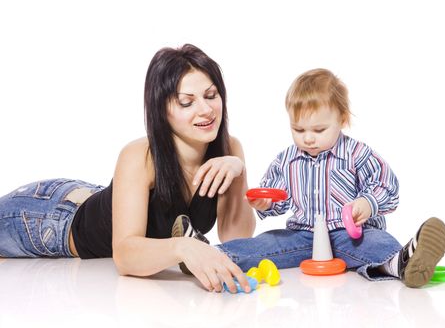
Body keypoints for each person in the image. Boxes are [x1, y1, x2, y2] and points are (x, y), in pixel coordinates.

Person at [0, 44, 256, 293]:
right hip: (50, 218)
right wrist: (184, 247)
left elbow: (237, 236)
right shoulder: (139, 155)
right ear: (161, 109)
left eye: (211, 96)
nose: (206, 109)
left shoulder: (229, 148)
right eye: (186, 102)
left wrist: (238, 171)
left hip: (92, 197)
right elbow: (124, 256)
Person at [198, 68, 445, 288]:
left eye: (318, 130)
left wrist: (367, 204)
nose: (308, 138)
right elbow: (277, 196)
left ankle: (405, 263)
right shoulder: (287, 160)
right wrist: (267, 204)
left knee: (377, 243)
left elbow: (387, 186)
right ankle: (205, 256)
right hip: (303, 236)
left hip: (349, 235)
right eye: (298, 129)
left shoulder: (356, 154)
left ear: (341, 119)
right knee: (265, 243)